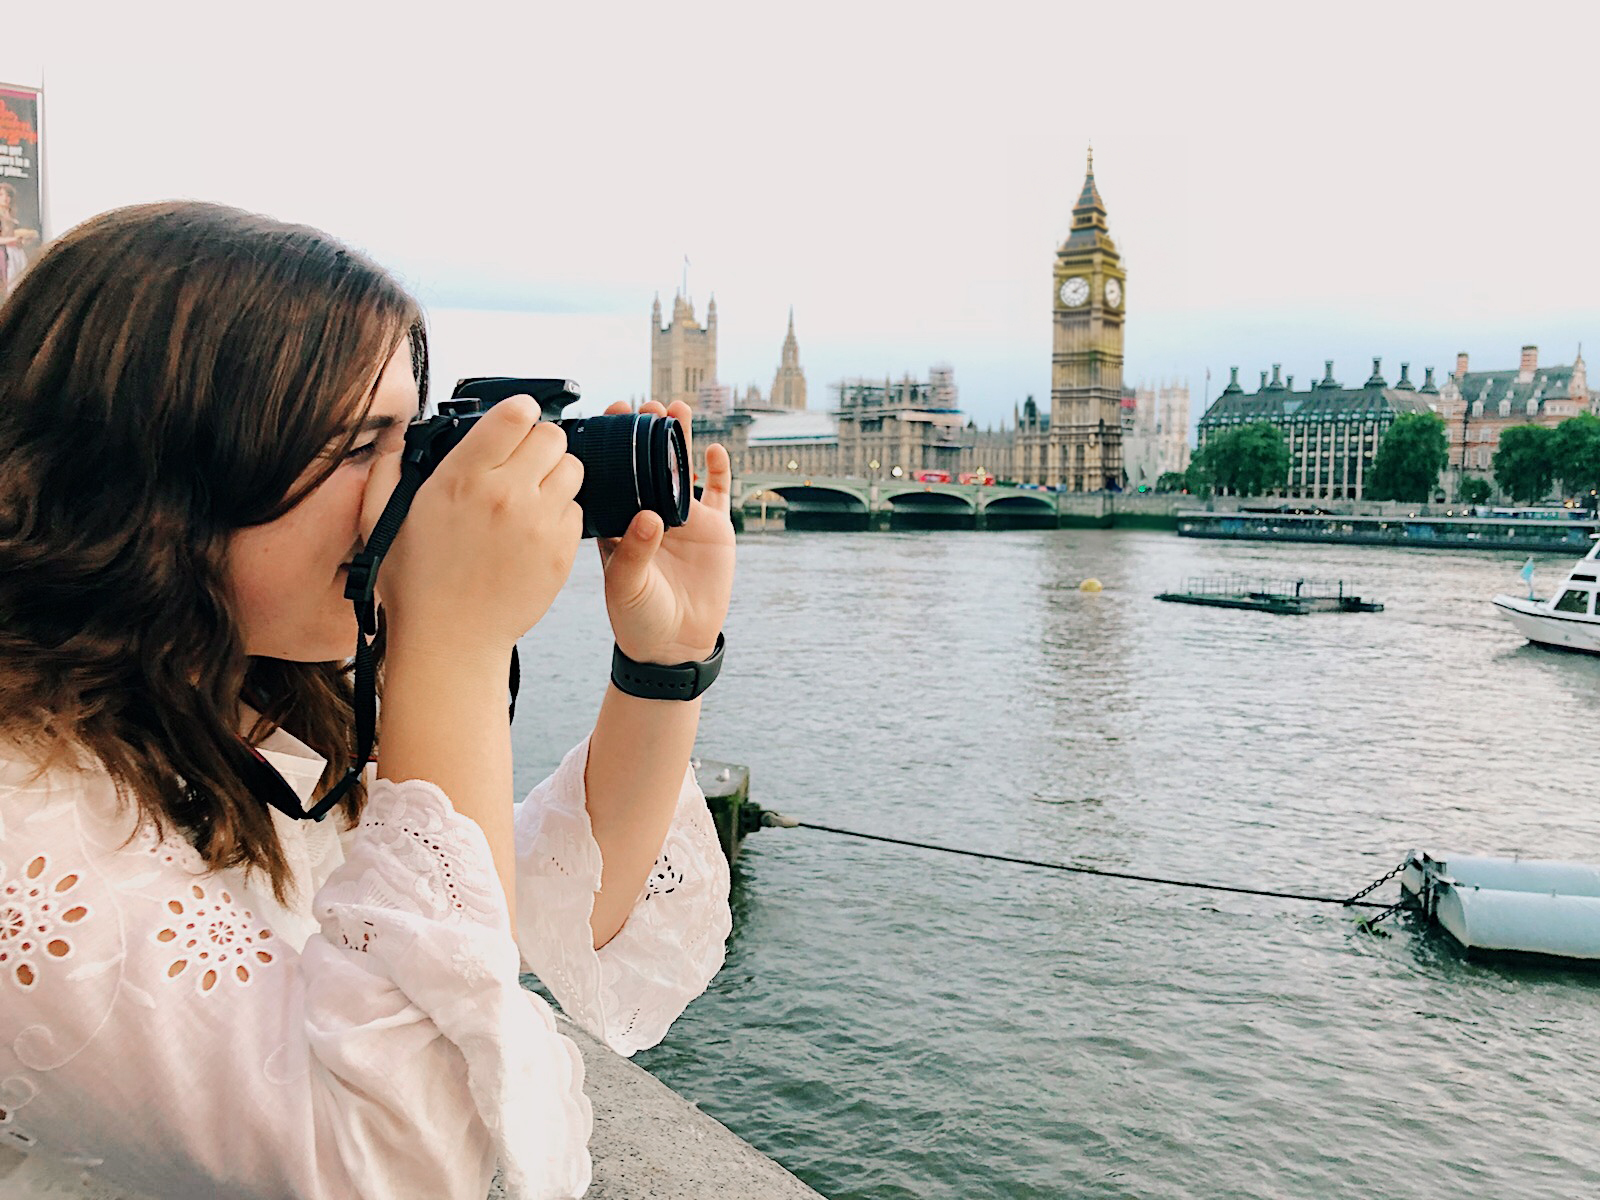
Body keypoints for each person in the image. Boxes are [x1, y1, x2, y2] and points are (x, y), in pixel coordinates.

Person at [0, 202, 737, 1199]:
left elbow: (505, 923)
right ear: (149, 483)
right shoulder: (24, 816)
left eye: (413, 439)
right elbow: (407, 1163)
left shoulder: (241, 705)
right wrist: (453, 651)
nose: (407, 494)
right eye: (358, 447)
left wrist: (664, 662)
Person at [0, 182, 39, 293]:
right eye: (1, 195)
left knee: (21, 283)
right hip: (5, 254)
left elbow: (21, 237)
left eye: (8, 195)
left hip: (17, 253)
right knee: (10, 285)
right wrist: (12, 240)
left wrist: (25, 240)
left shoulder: (13, 218)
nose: (5, 198)